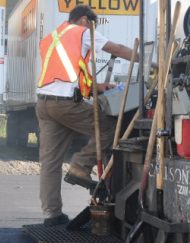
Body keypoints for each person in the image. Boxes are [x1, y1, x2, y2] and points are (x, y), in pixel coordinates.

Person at [35, 5, 139, 226]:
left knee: (50, 162)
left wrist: (98, 86)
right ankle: (81, 165)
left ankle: (52, 215)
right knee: (111, 129)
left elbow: (66, 78)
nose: (94, 30)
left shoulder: (50, 38)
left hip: (44, 104)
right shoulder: (82, 32)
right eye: (93, 25)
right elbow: (117, 49)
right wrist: (148, 61)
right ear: (84, 20)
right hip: (65, 106)